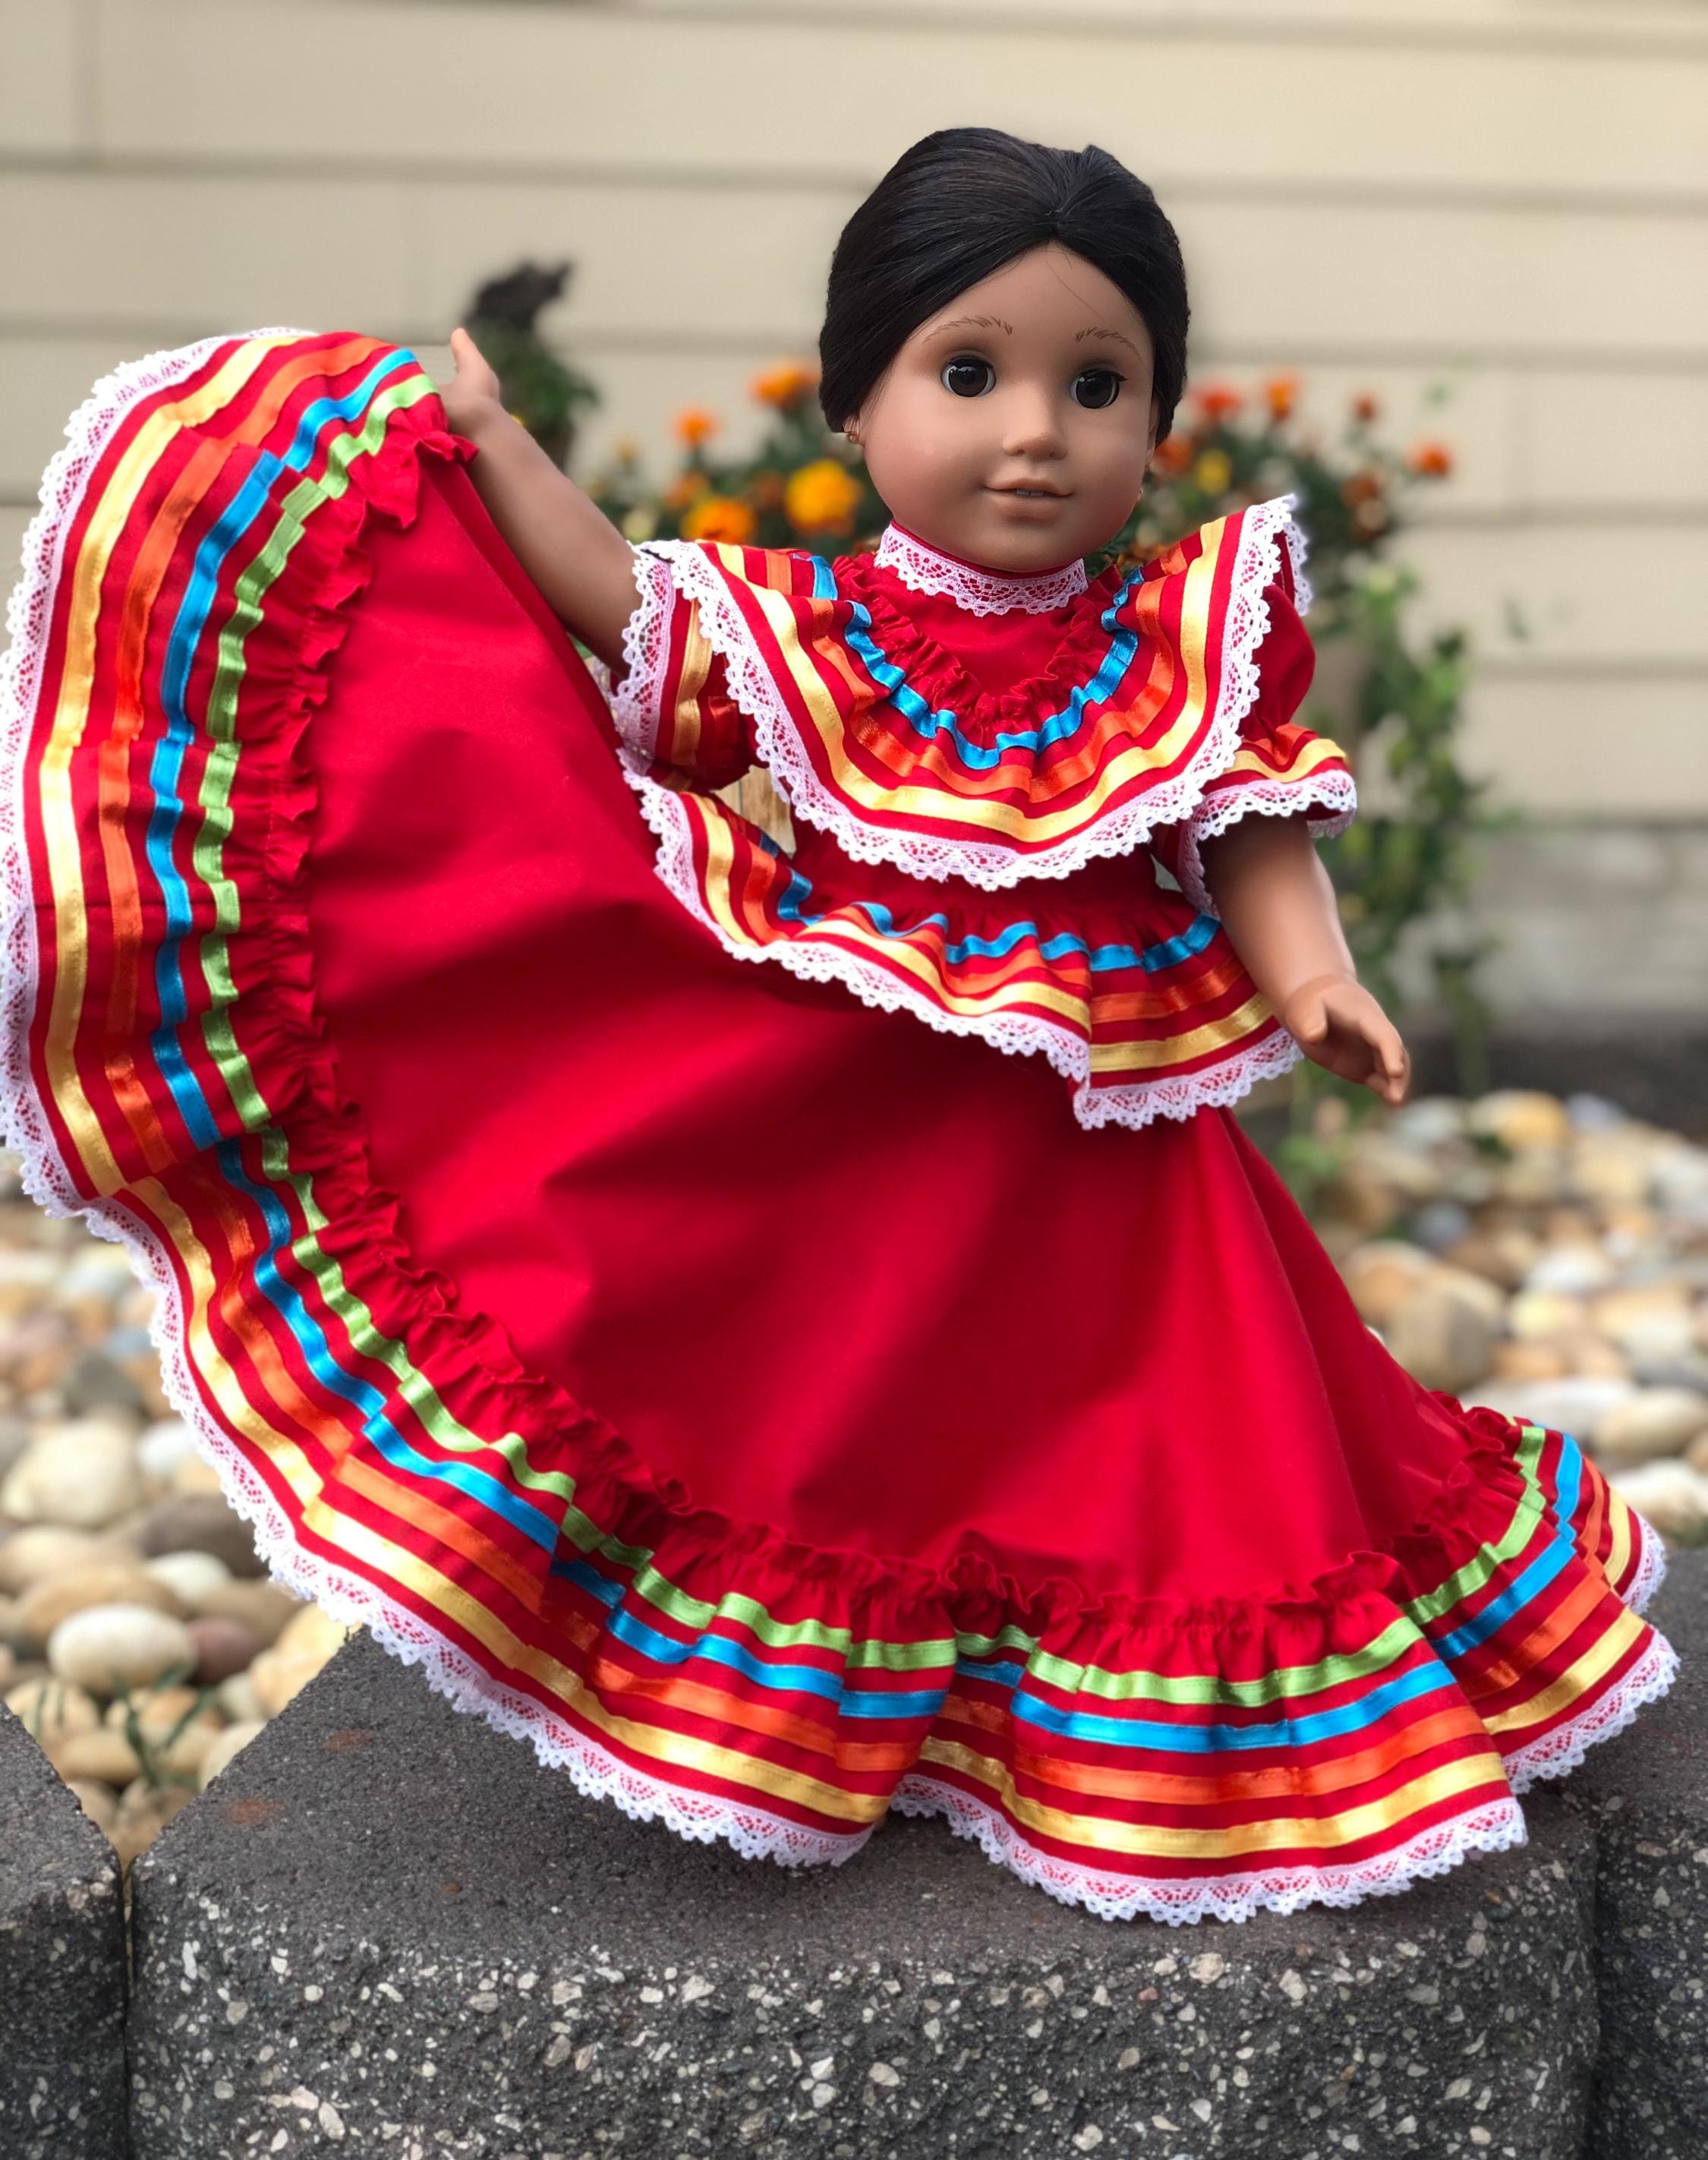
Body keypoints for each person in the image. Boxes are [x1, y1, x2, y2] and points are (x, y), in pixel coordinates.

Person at [0, 128, 1675, 1928]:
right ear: (856, 408)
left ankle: (1090, 1718)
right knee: (861, 1412)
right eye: (970, 375)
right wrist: (495, 450)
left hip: (1113, 1171)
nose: (1035, 432)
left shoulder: (1172, 650)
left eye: (1095, 385)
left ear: (1158, 424)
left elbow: (1252, 826)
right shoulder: (818, 634)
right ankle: (881, 1698)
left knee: (1164, 1449)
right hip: (867, 1115)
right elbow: (623, 604)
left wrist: (1314, 975)